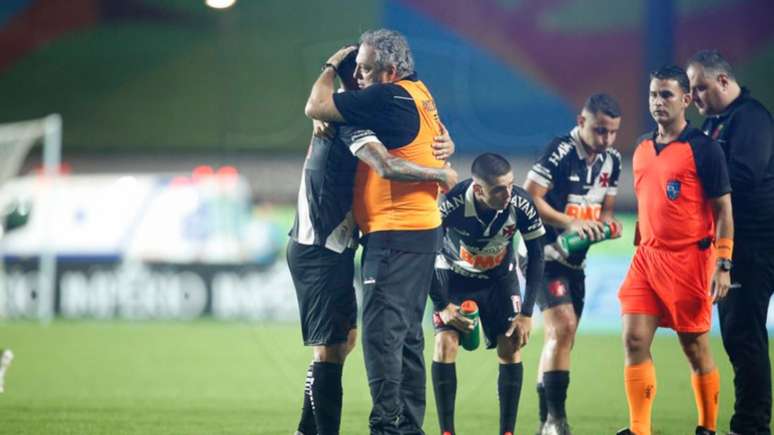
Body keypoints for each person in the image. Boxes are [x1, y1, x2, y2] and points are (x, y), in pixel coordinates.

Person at [289, 49, 457, 435]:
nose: (368, 81)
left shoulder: (353, 119)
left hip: (338, 246)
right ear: (353, 84)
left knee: (342, 342)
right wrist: (440, 173)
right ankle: (316, 430)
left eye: (370, 73)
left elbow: (418, 133)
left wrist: (445, 144)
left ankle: (307, 429)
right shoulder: (348, 123)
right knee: (330, 349)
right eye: (361, 74)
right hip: (318, 247)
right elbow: (385, 164)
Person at [616, 65, 734, 435]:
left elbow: (723, 211)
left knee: (695, 348)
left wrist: (723, 263)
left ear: (685, 100)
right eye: (653, 94)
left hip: (689, 262)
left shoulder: (704, 149)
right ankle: (639, 430)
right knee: (634, 339)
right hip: (646, 259)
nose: (658, 102)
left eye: (666, 94)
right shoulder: (640, 148)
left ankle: (707, 427)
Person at [518, 93, 623, 435]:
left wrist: (605, 228)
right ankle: (556, 421)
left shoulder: (613, 161)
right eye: (599, 131)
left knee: (561, 337)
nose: (606, 140)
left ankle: (543, 421)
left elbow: (605, 212)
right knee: (562, 327)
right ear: (581, 122)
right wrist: (570, 223)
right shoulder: (560, 150)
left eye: (612, 133)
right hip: (542, 255)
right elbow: (529, 195)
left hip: (575, 262)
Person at [686, 49, 774, 435]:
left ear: (723, 80)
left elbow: (742, 176)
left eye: (700, 88)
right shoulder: (714, 124)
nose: (696, 97)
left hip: (757, 242)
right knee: (741, 336)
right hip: (735, 242)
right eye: (691, 90)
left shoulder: (751, 118)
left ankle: (751, 426)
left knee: (743, 336)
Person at [429, 153, 545, 435]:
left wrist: (527, 313)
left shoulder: (520, 203)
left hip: (499, 281)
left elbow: (538, 256)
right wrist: (442, 304)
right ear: (478, 190)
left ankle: (507, 431)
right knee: (445, 345)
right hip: (455, 278)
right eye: (499, 189)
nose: (509, 194)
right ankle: (447, 432)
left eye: (510, 185)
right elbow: (428, 253)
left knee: (511, 346)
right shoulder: (451, 203)